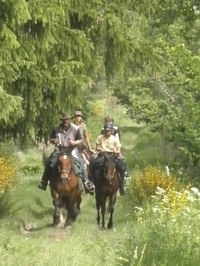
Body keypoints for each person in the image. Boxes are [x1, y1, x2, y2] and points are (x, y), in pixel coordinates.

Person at [38, 112, 95, 194]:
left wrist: (74, 143)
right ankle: (44, 181)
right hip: (59, 149)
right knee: (51, 162)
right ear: (61, 120)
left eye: (67, 120)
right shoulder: (56, 128)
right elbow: (51, 139)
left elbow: (80, 139)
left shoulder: (75, 128)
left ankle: (86, 181)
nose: (65, 121)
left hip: (72, 149)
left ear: (69, 120)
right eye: (64, 120)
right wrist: (54, 140)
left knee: (80, 162)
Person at [89, 122, 126, 195]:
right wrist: (100, 149)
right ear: (104, 130)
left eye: (109, 130)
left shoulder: (114, 139)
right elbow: (97, 146)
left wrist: (116, 151)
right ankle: (92, 182)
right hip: (102, 155)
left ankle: (121, 184)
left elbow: (118, 148)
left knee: (121, 166)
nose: (107, 132)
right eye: (106, 130)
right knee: (93, 163)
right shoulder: (100, 137)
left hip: (112, 155)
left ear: (111, 131)